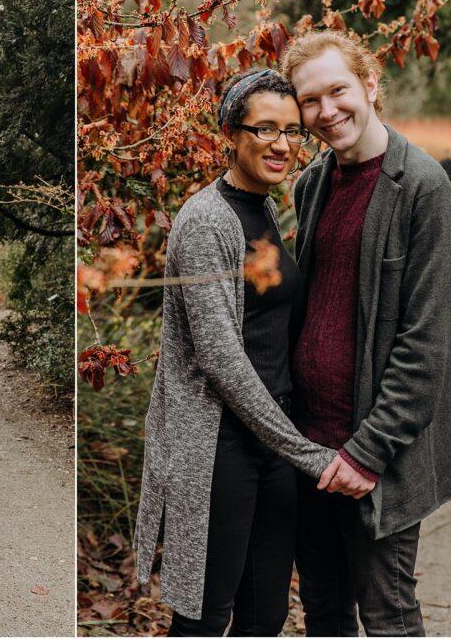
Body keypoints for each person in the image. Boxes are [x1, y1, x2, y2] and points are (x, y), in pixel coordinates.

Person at [134, 69, 340, 636]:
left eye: (293, 131)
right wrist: (307, 452)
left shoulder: (265, 208)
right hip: (219, 443)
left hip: (272, 439)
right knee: (203, 617)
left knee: (265, 614)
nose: (281, 144)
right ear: (230, 132)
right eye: (265, 129)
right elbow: (221, 357)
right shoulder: (205, 221)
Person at [281, 30, 451, 636]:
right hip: (311, 447)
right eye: (310, 101)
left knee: (388, 616)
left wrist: (368, 451)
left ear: (370, 85)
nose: (326, 111)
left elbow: (426, 343)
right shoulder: (312, 184)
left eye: (338, 90)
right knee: (325, 613)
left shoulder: (424, 188)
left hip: (378, 456)